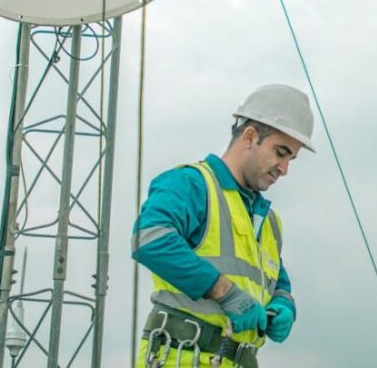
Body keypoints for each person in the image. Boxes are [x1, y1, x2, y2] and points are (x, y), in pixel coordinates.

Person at [132, 84, 315, 368]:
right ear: (250, 136)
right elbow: (150, 240)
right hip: (180, 357)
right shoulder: (193, 184)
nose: (284, 168)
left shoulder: (268, 221)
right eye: (280, 152)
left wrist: (283, 304)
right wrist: (224, 292)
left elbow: (277, 280)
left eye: (291, 158)